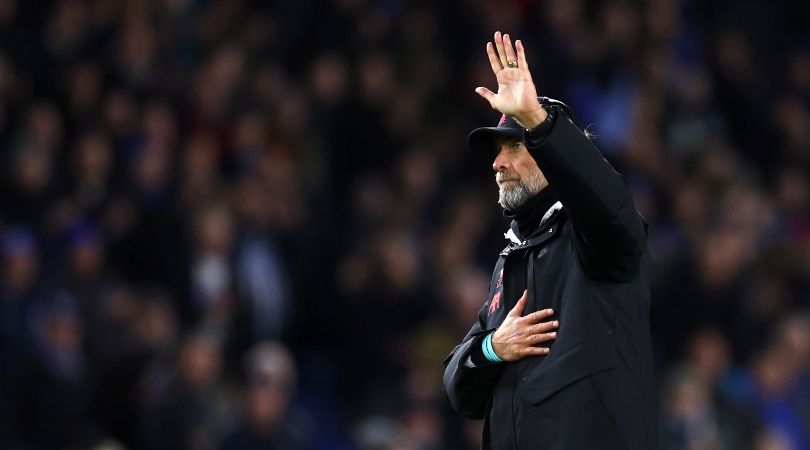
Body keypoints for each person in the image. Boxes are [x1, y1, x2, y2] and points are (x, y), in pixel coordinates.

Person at [442, 32, 657, 449]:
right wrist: (492, 348)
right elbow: (458, 389)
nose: (497, 163)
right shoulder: (511, 256)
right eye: (496, 151)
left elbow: (607, 203)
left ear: (555, 157)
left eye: (514, 148)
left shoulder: (597, 238)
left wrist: (538, 122)